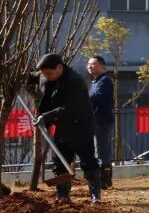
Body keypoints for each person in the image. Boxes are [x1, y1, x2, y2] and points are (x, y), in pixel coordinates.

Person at [28, 53, 101, 203]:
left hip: (80, 125)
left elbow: (71, 109)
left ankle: (95, 196)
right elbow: (29, 77)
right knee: (60, 162)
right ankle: (62, 196)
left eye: (49, 73)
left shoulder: (75, 81)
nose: (46, 76)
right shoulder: (45, 75)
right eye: (43, 73)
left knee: (88, 161)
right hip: (61, 126)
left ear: (60, 67)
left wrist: (46, 116)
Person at [87, 55, 115, 189]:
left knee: (103, 151)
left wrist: (83, 96)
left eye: (93, 64)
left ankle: (105, 181)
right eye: (88, 64)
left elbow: (96, 97)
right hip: (96, 121)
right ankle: (104, 180)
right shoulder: (95, 82)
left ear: (102, 67)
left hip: (102, 121)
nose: (89, 66)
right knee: (100, 150)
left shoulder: (105, 80)